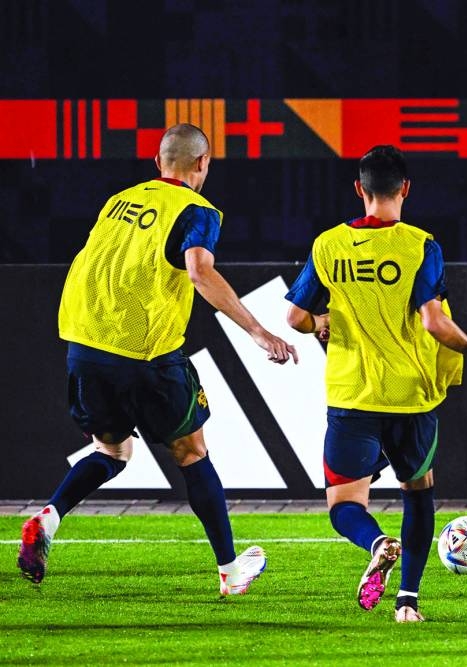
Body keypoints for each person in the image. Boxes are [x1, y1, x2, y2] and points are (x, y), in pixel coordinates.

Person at [18, 123, 299, 596]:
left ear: (157, 162)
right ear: (203, 164)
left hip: (86, 347)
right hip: (145, 355)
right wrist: (257, 330)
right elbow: (199, 271)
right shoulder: (197, 210)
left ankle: (49, 517)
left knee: (113, 450)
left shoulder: (119, 200)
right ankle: (231, 572)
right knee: (191, 452)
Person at [285, 145, 467, 623]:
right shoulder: (420, 245)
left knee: (343, 506)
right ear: (405, 189)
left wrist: (322, 322)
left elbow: (295, 317)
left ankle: (375, 542)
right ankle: (408, 602)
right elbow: (434, 322)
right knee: (418, 491)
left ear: (359, 190)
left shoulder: (329, 244)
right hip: (411, 397)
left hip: (352, 397)